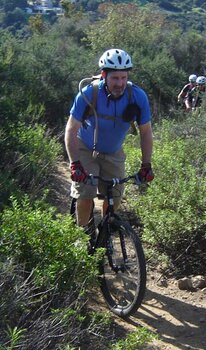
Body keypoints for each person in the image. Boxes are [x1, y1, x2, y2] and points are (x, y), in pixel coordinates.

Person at [64, 48, 154, 231]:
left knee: (116, 196)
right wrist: (75, 164)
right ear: (103, 75)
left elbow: (146, 132)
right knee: (85, 193)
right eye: (115, 78)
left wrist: (146, 165)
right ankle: (83, 234)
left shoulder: (137, 96)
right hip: (86, 148)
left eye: (123, 77)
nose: (120, 83)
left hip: (113, 151)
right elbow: (71, 129)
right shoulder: (89, 93)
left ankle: (105, 229)